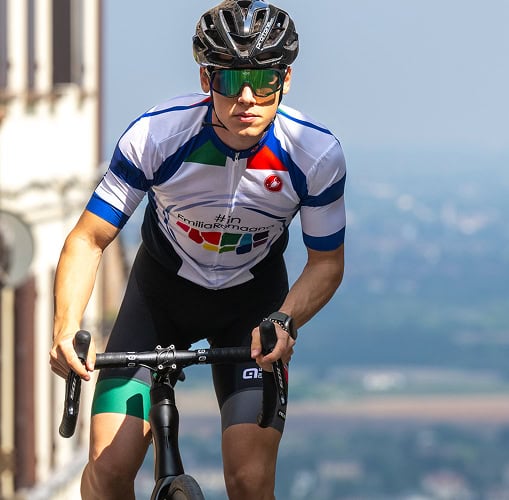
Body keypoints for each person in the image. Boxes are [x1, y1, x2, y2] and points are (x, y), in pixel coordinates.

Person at [48, 1, 345, 498]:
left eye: (263, 79)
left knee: (249, 480)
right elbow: (88, 239)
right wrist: (64, 325)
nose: (246, 98)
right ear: (206, 79)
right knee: (109, 467)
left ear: (286, 79)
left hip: (252, 309)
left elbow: (326, 263)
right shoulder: (158, 136)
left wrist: (286, 319)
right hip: (160, 298)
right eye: (230, 81)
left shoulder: (314, 155)